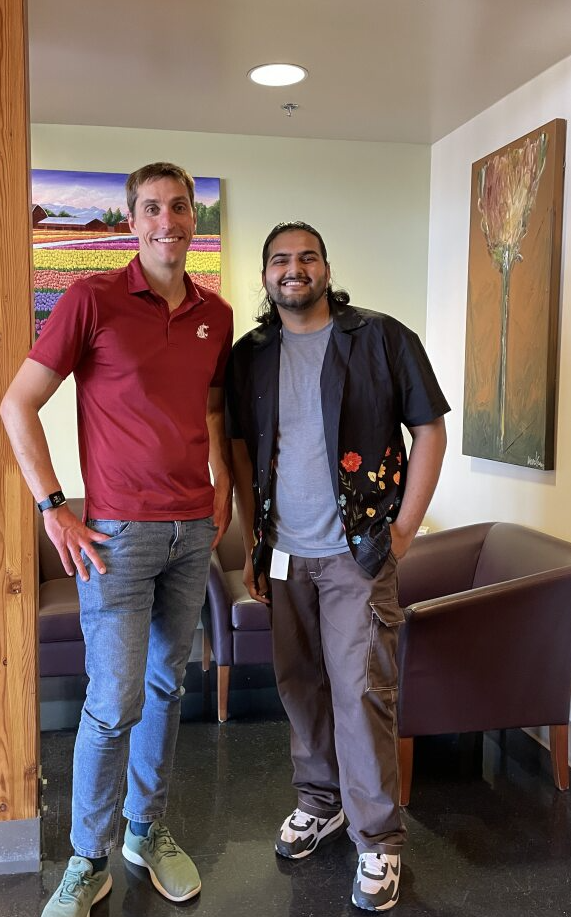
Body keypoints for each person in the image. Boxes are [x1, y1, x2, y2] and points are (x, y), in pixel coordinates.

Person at [1, 162, 233, 916]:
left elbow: (207, 409)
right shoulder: (91, 298)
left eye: (179, 208)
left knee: (168, 686)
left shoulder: (215, 313)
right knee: (114, 699)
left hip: (191, 529)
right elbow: (18, 404)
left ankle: (144, 829)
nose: (168, 221)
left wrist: (222, 483)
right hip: (117, 536)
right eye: (152, 209)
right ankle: (87, 856)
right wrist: (51, 506)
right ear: (131, 221)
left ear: (192, 219)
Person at [225, 221, 449, 912]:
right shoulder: (249, 355)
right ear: (264, 274)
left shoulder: (380, 338)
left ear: (325, 266)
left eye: (306, 257)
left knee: (361, 691)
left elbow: (430, 429)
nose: (294, 269)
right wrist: (252, 538)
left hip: (357, 552)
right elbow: (237, 447)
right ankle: (319, 803)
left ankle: (378, 838)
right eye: (280, 260)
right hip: (285, 555)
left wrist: (404, 529)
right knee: (299, 684)